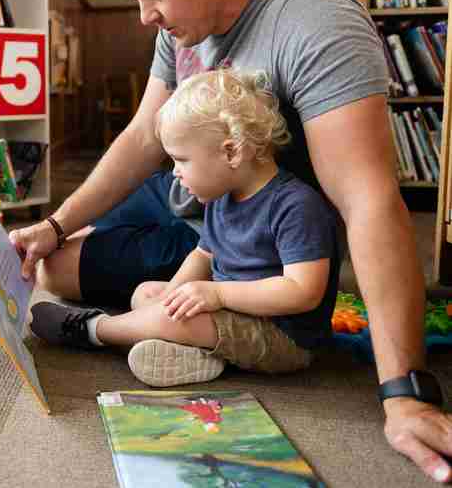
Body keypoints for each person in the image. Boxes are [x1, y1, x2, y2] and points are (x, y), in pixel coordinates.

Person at [10, 0, 452, 483]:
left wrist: (406, 393)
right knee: (54, 261)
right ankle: (156, 315)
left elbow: (369, 197)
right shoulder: (180, 25)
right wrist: (54, 222)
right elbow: (144, 136)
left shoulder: (315, 21)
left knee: (72, 279)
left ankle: (153, 331)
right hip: (195, 197)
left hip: (253, 239)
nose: (145, 17)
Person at [30, 70, 339, 389]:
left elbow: (303, 292)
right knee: (146, 293)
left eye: (181, 160)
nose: (175, 173)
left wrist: (218, 293)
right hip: (234, 314)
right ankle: (195, 354)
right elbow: (203, 254)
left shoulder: (296, 205)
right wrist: (173, 292)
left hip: (282, 335)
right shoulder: (223, 196)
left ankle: (94, 330)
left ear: (231, 152)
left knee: (167, 318)